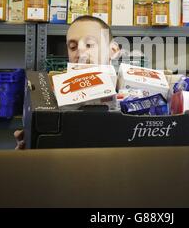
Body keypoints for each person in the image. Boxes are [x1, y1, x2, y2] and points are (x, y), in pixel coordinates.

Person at [14, 16, 120, 149]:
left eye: (89, 45)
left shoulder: (133, 96)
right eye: (73, 47)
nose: (80, 51)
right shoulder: (51, 98)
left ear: (113, 50)